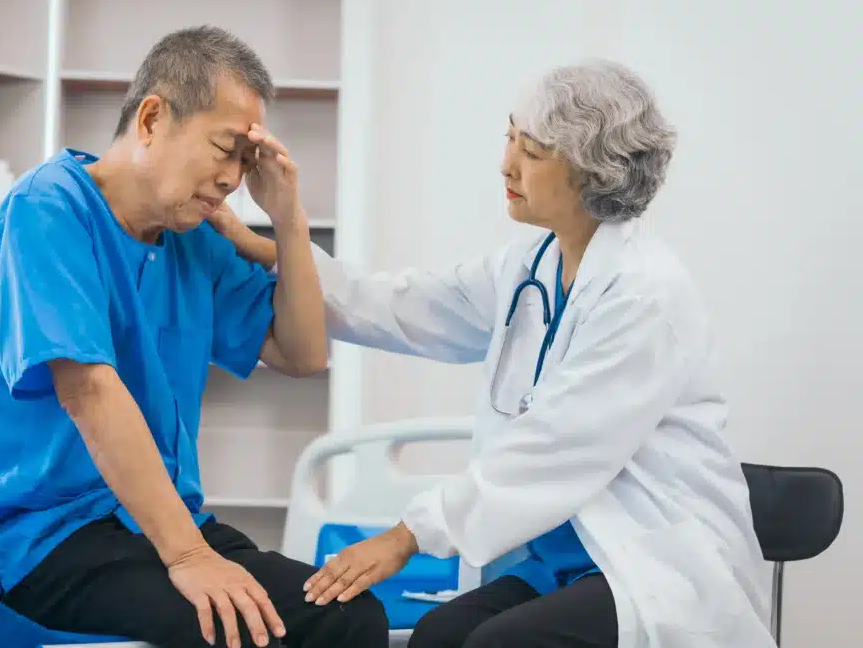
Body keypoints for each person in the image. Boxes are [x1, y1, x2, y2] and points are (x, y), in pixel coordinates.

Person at [210, 59, 778, 648]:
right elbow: (405, 305)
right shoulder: (531, 265)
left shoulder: (645, 295)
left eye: (530, 152)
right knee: (438, 636)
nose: (506, 163)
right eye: (510, 137)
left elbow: (553, 449)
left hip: (650, 561)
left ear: (591, 171)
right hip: (567, 560)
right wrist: (277, 250)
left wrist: (406, 536)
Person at [0, 25, 389, 648]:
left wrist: (288, 220)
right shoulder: (46, 211)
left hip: (153, 528)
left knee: (349, 616)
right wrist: (188, 557)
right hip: (40, 544)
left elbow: (303, 352)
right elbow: (89, 392)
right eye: (224, 149)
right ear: (152, 118)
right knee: (249, 633)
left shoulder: (191, 239)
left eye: (245, 161)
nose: (233, 178)